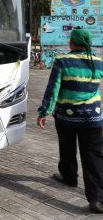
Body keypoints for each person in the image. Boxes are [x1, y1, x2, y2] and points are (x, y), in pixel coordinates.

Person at [37, 28, 103, 214]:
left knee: (67, 148)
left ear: (72, 43)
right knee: (94, 157)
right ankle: (97, 199)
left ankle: (69, 177)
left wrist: (44, 112)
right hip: (93, 117)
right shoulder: (98, 62)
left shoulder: (62, 61)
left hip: (67, 117)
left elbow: (53, 89)